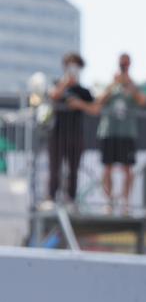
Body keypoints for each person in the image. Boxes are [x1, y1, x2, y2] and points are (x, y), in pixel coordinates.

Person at [42, 52, 96, 210]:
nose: (73, 68)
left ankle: (71, 199)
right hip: (57, 133)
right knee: (54, 168)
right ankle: (51, 197)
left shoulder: (84, 91)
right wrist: (65, 83)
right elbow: (53, 96)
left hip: (75, 134)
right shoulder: (57, 83)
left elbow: (95, 109)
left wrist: (80, 105)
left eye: (76, 66)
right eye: (70, 65)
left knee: (74, 169)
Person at [96, 53, 146, 212]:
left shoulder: (134, 85)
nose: (123, 67)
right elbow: (99, 101)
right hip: (109, 131)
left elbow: (143, 101)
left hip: (127, 133)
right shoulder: (111, 84)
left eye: (126, 64)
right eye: (121, 64)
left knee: (128, 169)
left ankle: (126, 203)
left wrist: (129, 85)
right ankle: (109, 202)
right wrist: (114, 84)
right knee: (107, 168)